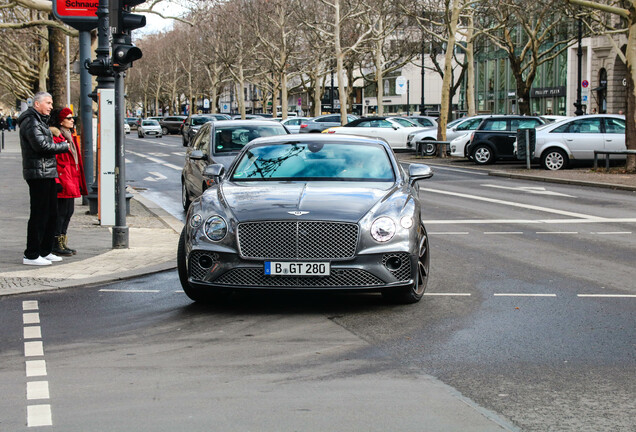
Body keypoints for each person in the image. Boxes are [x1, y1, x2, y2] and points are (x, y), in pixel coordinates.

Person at [17, 92, 70, 266]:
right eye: (48, 103)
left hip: (47, 172)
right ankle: (31, 254)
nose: (50, 106)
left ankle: (45, 250)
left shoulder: (40, 120)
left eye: (51, 103)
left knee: (51, 213)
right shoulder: (31, 121)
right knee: (39, 214)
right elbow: (41, 146)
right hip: (38, 173)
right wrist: (63, 146)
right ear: (37, 104)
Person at [49, 107, 87, 256]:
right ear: (60, 120)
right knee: (60, 213)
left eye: (73, 118)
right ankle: (56, 242)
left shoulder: (69, 136)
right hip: (63, 179)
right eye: (69, 118)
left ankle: (62, 241)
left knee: (68, 212)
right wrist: (58, 180)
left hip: (71, 178)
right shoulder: (56, 137)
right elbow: (54, 160)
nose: (72, 120)